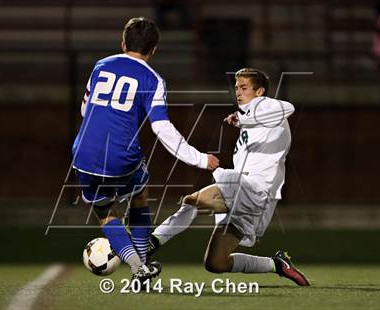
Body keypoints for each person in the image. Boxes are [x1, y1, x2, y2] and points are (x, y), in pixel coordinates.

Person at [72, 17, 219, 283]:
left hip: (83, 154)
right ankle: (142, 262)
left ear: (123, 43)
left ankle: (138, 266)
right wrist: (199, 159)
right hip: (121, 157)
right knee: (139, 194)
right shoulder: (152, 79)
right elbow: (162, 128)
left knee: (106, 213)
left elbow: (85, 109)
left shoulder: (101, 65)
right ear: (154, 50)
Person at [148, 68, 310, 286]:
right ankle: (277, 265)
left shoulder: (264, 105)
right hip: (252, 196)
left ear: (260, 91)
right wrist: (243, 119)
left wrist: (243, 119)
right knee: (216, 263)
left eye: (244, 88)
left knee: (193, 201)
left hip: (255, 189)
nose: (238, 92)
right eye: (236, 87)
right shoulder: (251, 119)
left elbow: (288, 107)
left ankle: (151, 243)